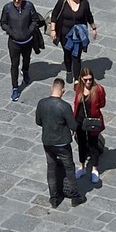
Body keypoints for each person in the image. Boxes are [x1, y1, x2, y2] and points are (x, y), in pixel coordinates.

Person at [35, 76, 83, 207]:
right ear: (63, 90)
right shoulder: (64, 106)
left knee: (51, 168)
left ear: (52, 88)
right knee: (69, 168)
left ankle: (54, 198)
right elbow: (73, 126)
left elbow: (38, 121)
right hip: (62, 143)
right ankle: (75, 197)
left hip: (48, 142)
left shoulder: (42, 103)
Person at [1, 0, 46, 99]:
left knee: (27, 59)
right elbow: (3, 23)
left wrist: (29, 31)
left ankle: (25, 71)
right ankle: (15, 87)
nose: (17, 1)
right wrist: (11, 32)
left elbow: (35, 20)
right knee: (14, 65)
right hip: (14, 42)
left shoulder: (29, 6)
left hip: (27, 41)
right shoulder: (7, 8)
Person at [51, 0, 97, 73]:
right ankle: (69, 70)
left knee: (76, 56)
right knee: (67, 53)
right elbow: (54, 15)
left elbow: (89, 16)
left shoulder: (84, 3)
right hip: (65, 34)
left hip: (78, 35)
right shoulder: (63, 2)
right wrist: (53, 30)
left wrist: (94, 28)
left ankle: (76, 80)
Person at [73, 67, 106, 185]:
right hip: (79, 121)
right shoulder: (78, 89)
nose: (88, 82)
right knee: (81, 144)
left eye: (90, 79)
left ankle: (94, 169)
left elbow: (102, 104)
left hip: (93, 121)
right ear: (81, 79)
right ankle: (82, 167)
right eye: (85, 79)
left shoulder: (98, 90)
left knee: (93, 145)